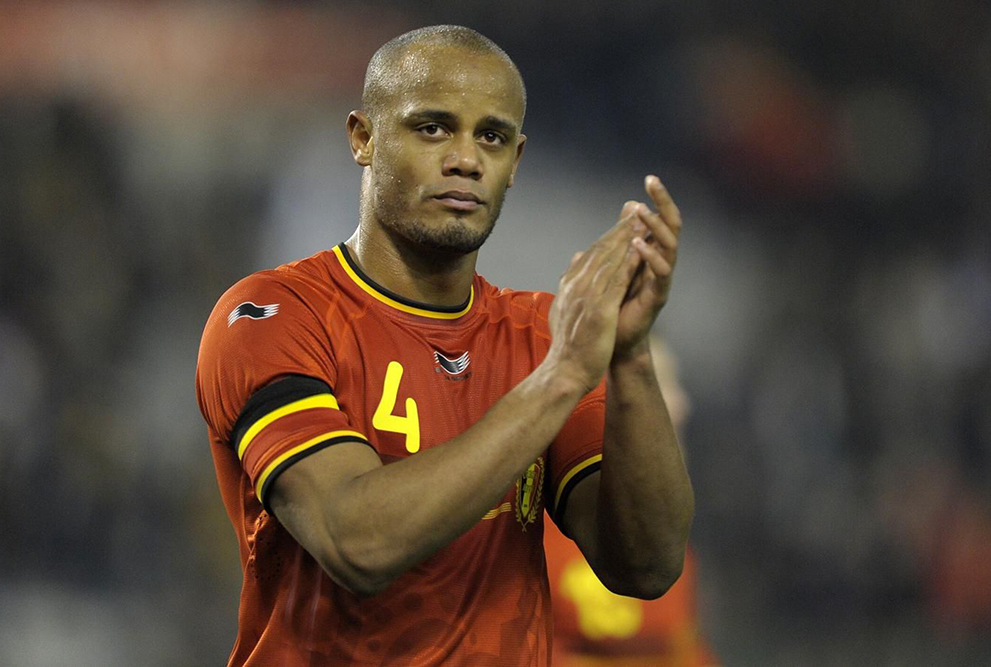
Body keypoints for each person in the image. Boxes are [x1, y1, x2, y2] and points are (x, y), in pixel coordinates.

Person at [196, 25, 693, 666]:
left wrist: (630, 355)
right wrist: (563, 375)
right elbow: (356, 543)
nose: (466, 159)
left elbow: (647, 568)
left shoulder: (542, 335)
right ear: (363, 138)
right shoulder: (274, 315)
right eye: (432, 128)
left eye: (492, 137)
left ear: (516, 162)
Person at [544, 339, 718, 666]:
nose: (682, 405)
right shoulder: (526, 541)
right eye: (656, 384)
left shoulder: (670, 547)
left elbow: (687, 654)